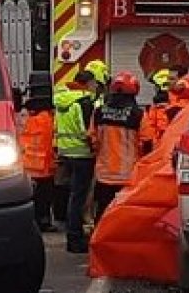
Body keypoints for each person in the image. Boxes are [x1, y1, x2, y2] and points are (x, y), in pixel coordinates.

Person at [54, 70, 99, 253]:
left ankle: (72, 234)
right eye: (94, 83)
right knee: (79, 198)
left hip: (66, 152)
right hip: (82, 154)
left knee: (72, 195)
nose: (96, 86)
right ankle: (75, 238)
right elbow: (88, 130)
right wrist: (95, 147)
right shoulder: (84, 102)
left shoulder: (62, 100)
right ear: (87, 83)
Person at [90, 71, 144, 222]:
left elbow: (92, 141)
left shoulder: (99, 112)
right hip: (128, 174)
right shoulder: (138, 115)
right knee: (125, 216)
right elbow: (147, 143)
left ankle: (99, 241)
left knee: (102, 212)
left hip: (104, 174)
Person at [18, 79, 56, 232]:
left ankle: (30, 222)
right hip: (44, 166)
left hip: (27, 164)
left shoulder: (23, 116)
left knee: (30, 198)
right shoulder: (48, 118)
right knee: (44, 199)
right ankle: (44, 222)